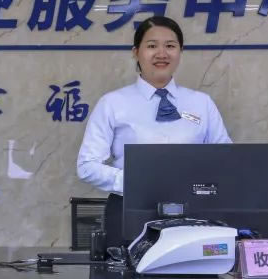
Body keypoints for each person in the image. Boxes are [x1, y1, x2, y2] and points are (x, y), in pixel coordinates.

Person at [76, 16, 231, 247]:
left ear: (180, 52)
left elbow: (226, 160)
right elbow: (87, 166)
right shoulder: (112, 103)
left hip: (193, 214)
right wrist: (136, 182)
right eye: (151, 46)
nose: (162, 53)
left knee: (190, 271)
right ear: (136, 52)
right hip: (130, 211)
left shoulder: (202, 103)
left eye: (170, 46)